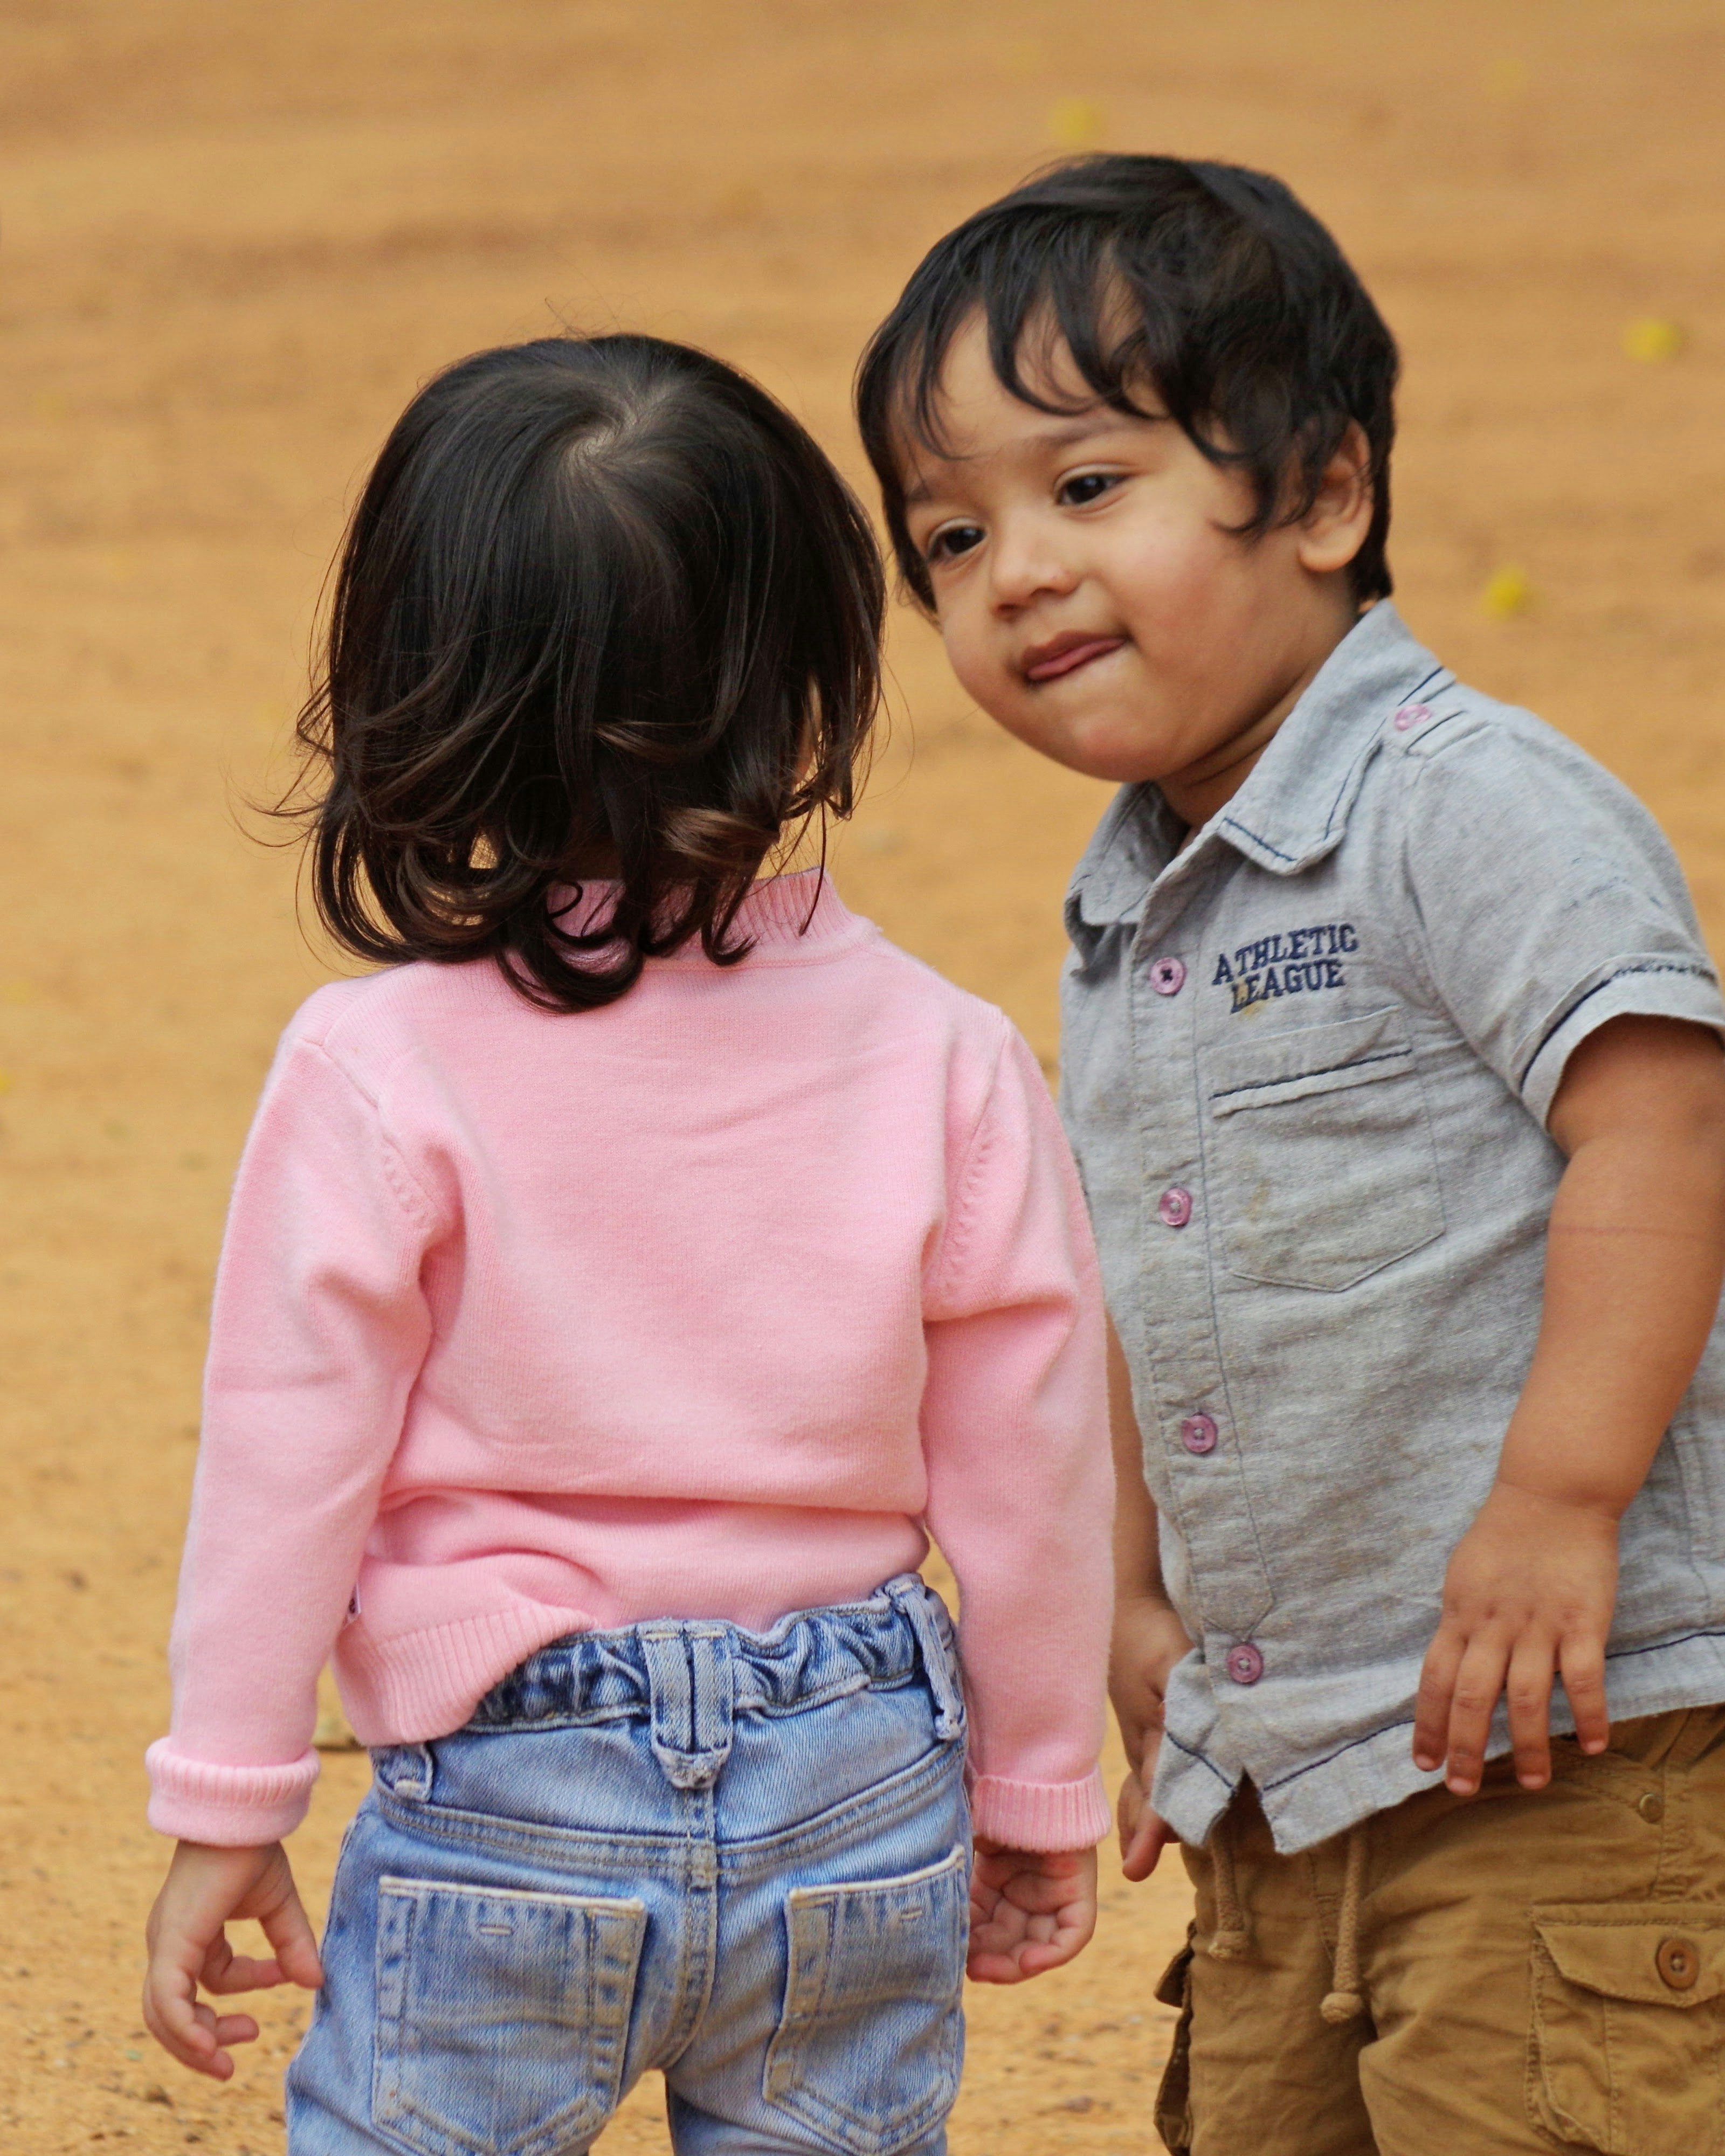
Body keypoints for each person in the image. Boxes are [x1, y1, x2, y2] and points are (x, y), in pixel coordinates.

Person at [140, 333, 1115, 2156]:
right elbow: (1032, 1459)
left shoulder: (376, 1066)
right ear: (814, 670)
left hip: (516, 1786)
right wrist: (1037, 1779)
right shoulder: (947, 1054)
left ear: (418, 684)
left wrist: (231, 1800)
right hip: (858, 1785)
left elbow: (291, 1459)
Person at [855, 154, 1725, 2153]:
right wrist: (1136, 1612)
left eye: (1088, 489)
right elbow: (1154, 1286)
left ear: (1325, 494)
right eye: (951, 535)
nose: (1015, 573)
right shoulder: (1127, 908)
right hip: (1286, 1790)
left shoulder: (1466, 806)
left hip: (1567, 1769)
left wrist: (1559, 1499)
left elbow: (1662, 1113)